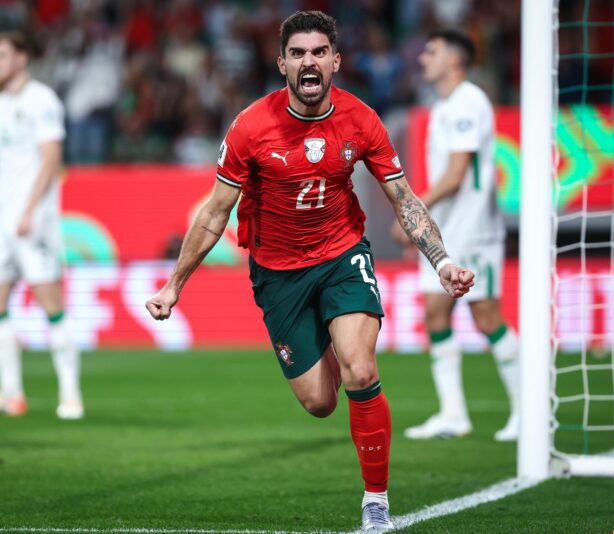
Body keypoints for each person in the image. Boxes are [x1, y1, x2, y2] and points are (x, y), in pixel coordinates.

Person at [145, 11, 474, 532]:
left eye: (319, 52)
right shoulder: (251, 126)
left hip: (343, 255)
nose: (309, 62)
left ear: (336, 61)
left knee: (361, 369)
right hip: (277, 273)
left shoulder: (361, 119)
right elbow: (213, 214)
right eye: (297, 53)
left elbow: (403, 198)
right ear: (282, 64)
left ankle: (376, 500)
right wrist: (173, 286)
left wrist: (442, 261)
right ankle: (328, 343)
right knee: (320, 402)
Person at [394, 30, 520, 442]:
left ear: (454, 59)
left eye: (432, 51)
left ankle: (529, 411)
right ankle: (453, 415)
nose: (423, 58)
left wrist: (412, 210)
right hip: (448, 231)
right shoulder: (445, 106)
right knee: (435, 314)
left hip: (473, 228)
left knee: (486, 316)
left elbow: (456, 174)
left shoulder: (468, 101)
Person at [0, 31, 83, 420]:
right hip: (3, 219)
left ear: (22, 58)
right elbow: (5, 167)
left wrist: (29, 210)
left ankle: (70, 395)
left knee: (49, 302)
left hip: (35, 219)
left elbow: (51, 158)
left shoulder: (42, 100)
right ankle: (11, 394)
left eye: (2, 55)